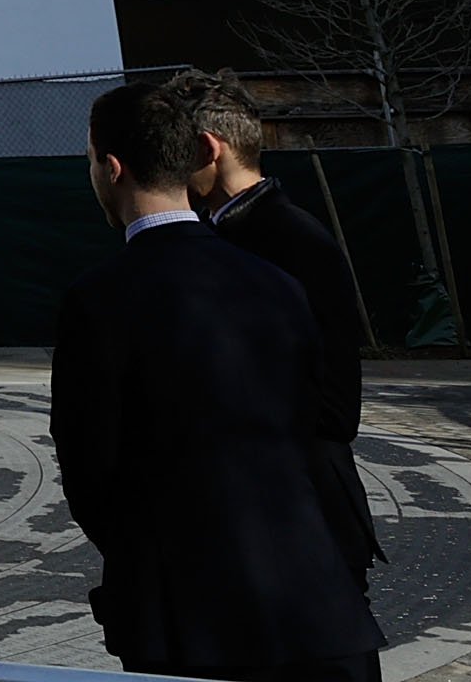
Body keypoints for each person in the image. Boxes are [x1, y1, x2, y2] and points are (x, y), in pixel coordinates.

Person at [53, 81, 384, 682]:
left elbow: (90, 469)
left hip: (186, 618)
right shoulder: (274, 282)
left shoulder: (97, 300)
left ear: (112, 167)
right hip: (315, 603)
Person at [169, 68, 378, 580]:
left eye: (176, 151)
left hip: (302, 521)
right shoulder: (225, 235)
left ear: (206, 148)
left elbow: (335, 406)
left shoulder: (291, 241)